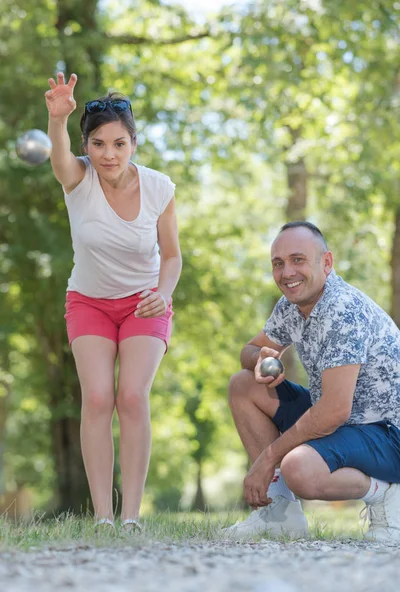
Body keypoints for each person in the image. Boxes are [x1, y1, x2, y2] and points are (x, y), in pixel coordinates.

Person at [45, 72, 182, 531]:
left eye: (119, 144)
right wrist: (57, 120)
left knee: (131, 396)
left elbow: (174, 256)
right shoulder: (77, 178)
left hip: (144, 303)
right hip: (89, 301)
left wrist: (163, 295)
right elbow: (59, 159)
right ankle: (102, 516)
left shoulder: (159, 188)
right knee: (98, 397)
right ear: (88, 145)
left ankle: (130, 517)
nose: (109, 154)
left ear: (134, 144)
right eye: (99, 144)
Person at [225, 221, 400, 541]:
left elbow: (334, 411)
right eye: (278, 263)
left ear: (327, 262)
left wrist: (268, 458)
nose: (287, 272)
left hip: (388, 434)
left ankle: (386, 493)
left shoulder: (342, 309)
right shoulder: (292, 305)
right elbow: (248, 350)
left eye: (297, 259)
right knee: (242, 385)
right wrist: (261, 357)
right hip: (348, 422)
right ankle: (279, 514)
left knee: (299, 469)